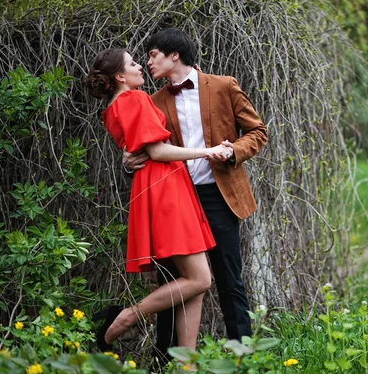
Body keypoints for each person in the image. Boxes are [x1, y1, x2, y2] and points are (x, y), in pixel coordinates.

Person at [123, 28, 267, 354]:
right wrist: (129, 162)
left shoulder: (223, 85)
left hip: (220, 195)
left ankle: (241, 355)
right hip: (178, 202)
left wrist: (233, 151)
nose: (148, 62)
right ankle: (167, 358)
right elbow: (148, 149)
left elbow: (257, 131)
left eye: (153, 55)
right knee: (173, 282)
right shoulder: (153, 102)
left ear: (174, 55)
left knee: (230, 279)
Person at [85, 48, 234, 352]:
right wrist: (207, 151)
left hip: (156, 186)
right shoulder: (134, 99)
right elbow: (158, 152)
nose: (141, 66)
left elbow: (139, 152)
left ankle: (186, 364)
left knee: (191, 282)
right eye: (133, 64)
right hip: (165, 186)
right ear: (120, 76)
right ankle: (125, 318)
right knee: (201, 279)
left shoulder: (113, 107)